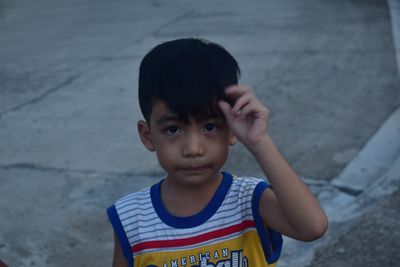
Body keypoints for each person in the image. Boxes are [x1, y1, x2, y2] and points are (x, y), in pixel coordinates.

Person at [107, 38, 328, 267]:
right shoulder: (131, 219)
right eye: (173, 129)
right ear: (147, 135)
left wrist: (259, 142)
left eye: (210, 127)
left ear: (232, 130)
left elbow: (312, 227)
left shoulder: (249, 201)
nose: (193, 149)